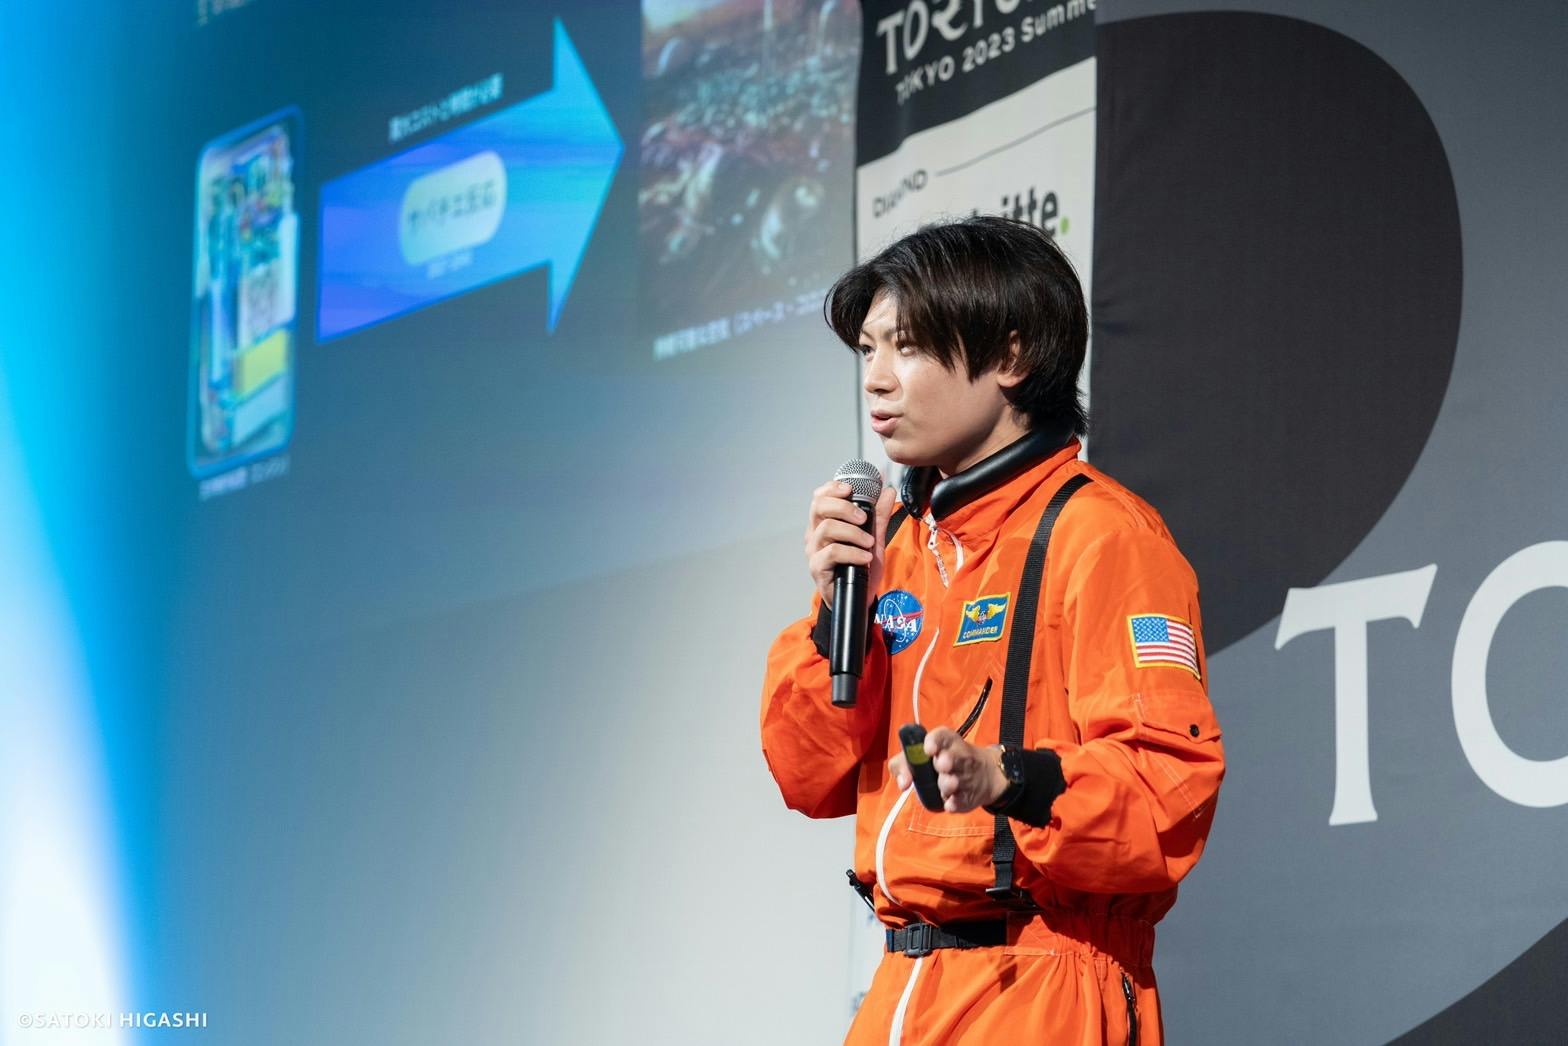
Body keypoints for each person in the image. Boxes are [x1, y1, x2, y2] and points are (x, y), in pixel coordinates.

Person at [760, 216, 1225, 1044]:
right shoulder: (892, 544)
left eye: (907, 347)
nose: (876, 380)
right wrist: (833, 609)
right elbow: (807, 777)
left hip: (1045, 982)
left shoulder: (1102, 535)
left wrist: (1007, 778)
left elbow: (1168, 797)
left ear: (1011, 357)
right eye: (867, 351)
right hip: (900, 989)